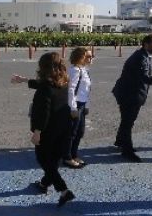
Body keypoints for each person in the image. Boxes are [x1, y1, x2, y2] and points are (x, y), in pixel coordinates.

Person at [11, 47, 94, 169]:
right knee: (71, 133)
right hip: (71, 108)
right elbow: (55, 89)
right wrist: (74, 108)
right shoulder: (73, 72)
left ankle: (71, 155)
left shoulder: (81, 71)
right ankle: (67, 157)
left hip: (77, 107)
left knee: (78, 132)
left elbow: (82, 90)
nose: (91, 59)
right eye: (88, 56)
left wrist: (86, 105)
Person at [111, 33, 152, 162]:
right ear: (146, 44)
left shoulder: (143, 55)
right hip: (129, 94)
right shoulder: (141, 57)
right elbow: (145, 78)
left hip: (128, 92)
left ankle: (120, 142)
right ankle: (127, 151)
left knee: (126, 120)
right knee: (128, 122)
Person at [29, 52, 76, 207]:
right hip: (63, 127)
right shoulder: (63, 81)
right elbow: (44, 85)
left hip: (48, 129)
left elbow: (43, 112)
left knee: (43, 159)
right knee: (54, 159)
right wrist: (24, 81)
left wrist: (37, 131)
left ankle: (63, 190)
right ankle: (43, 184)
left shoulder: (45, 88)